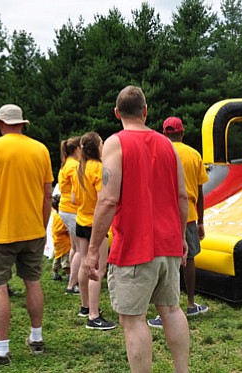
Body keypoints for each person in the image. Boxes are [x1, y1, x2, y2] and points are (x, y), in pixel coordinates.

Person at [84, 85, 190, 373]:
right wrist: (181, 238)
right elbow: (183, 196)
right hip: (168, 243)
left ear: (117, 113)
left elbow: (107, 199)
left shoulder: (115, 143)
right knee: (171, 310)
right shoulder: (168, 144)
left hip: (133, 247)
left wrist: (93, 250)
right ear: (145, 111)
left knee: (133, 320)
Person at [0, 104, 53, 369]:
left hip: (2, 231)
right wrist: (42, 225)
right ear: (22, 124)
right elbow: (48, 195)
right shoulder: (41, 149)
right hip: (34, 230)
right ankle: (36, 339)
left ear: (0, 124)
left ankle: (1, 350)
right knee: (33, 282)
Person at [148, 117, 209, 330]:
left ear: (164, 133)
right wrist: (201, 221)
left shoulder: (157, 153)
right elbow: (200, 192)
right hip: (189, 215)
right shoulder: (193, 155)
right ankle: (191, 304)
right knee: (189, 258)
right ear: (182, 133)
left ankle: (161, 311)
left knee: (164, 261)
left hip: (164, 215)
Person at [73, 131, 116, 330]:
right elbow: (104, 198)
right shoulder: (99, 168)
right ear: (97, 147)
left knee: (84, 264)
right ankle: (94, 315)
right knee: (97, 270)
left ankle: (85, 306)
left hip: (81, 221)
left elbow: (73, 199)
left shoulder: (79, 168)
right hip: (95, 224)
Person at [58, 137, 81, 295]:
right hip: (73, 209)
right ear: (77, 150)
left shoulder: (66, 163)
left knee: (74, 248)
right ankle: (72, 284)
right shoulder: (75, 166)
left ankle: (72, 280)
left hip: (66, 208)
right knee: (80, 249)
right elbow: (78, 190)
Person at [51, 193, 71, 281]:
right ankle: (69, 275)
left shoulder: (55, 215)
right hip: (64, 243)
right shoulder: (61, 217)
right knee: (66, 260)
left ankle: (55, 273)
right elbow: (59, 230)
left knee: (57, 258)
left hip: (57, 242)